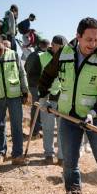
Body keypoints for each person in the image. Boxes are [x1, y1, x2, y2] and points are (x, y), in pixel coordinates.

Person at [38, 17, 97, 194]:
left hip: (95, 118)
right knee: (69, 164)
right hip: (68, 117)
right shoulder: (64, 53)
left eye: (96, 39)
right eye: (89, 39)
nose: (93, 44)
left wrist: (93, 112)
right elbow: (47, 74)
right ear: (78, 37)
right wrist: (43, 96)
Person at [0, 35, 29, 165]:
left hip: (14, 96)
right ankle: (0, 154)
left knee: (17, 126)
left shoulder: (14, 55)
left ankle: (17, 155)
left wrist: (25, 91)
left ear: (3, 43)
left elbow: (22, 73)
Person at [38, 35, 67, 165]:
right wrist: (39, 95)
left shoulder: (67, 58)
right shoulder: (41, 57)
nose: (61, 50)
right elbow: (33, 76)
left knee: (63, 129)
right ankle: (48, 154)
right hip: (47, 97)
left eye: (63, 48)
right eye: (59, 47)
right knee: (48, 128)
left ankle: (61, 157)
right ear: (53, 45)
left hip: (63, 99)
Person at [24, 38, 50, 137]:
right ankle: (35, 131)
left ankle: (36, 129)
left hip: (32, 84)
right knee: (38, 107)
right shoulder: (42, 55)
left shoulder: (31, 55)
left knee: (36, 106)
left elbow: (26, 68)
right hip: (38, 84)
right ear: (46, 46)